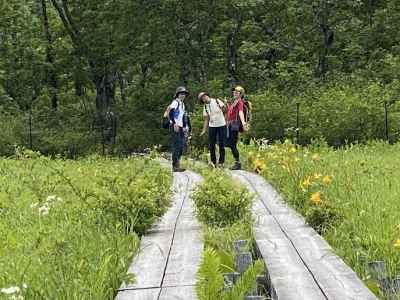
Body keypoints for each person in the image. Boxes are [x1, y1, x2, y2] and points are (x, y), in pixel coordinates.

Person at [199, 92, 227, 168]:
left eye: (205, 96)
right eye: (203, 98)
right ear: (202, 101)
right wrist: (204, 130)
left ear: (208, 96)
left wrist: (223, 106)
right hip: (212, 127)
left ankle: (221, 162)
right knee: (211, 145)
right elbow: (206, 119)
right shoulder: (205, 107)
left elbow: (225, 109)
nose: (204, 98)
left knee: (221, 144)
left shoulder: (216, 101)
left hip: (222, 125)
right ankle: (213, 162)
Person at [226, 85, 249, 170]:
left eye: (237, 91)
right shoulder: (234, 102)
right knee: (230, 144)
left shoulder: (240, 102)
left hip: (234, 126)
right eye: (234, 91)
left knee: (232, 145)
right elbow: (230, 113)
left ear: (241, 94)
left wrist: (243, 123)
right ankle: (237, 162)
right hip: (230, 125)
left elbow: (240, 112)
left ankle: (238, 163)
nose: (234, 92)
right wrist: (227, 104)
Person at [168, 86, 190, 172]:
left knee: (181, 146)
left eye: (184, 94)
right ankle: (175, 166)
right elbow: (170, 113)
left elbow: (183, 117)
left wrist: (185, 127)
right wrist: (174, 123)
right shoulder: (175, 102)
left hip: (181, 127)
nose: (183, 95)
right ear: (177, 94)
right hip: (175, 126)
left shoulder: (182, 104)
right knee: (176, 146)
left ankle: (177, 164)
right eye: (181, 94)